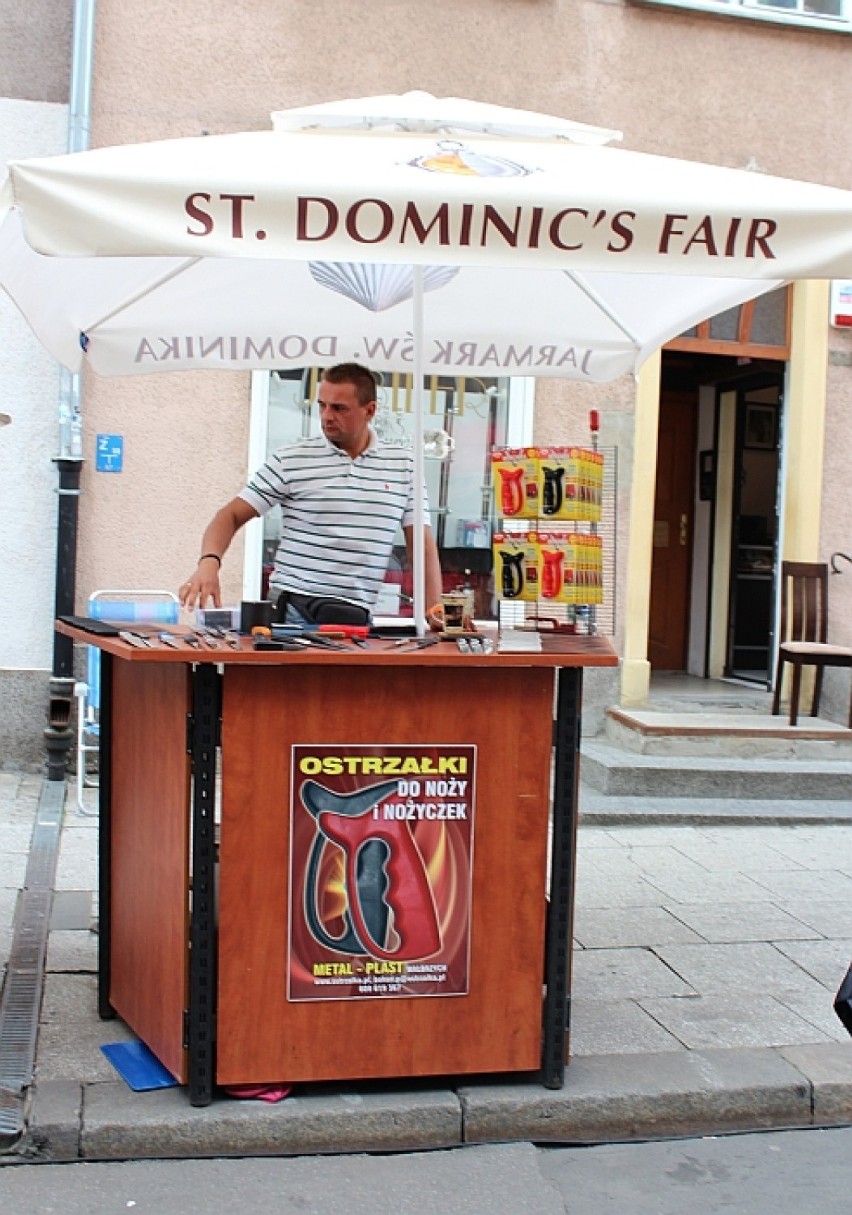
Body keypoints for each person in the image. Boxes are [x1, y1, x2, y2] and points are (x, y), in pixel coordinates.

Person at [179, 363, 444, 628]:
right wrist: (209, 563)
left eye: (339, 408)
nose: (327, 416)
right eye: (322, 405)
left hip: (357, 616)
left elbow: (421, 545)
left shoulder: (404, 465)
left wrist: (434, 611)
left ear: (370, 410)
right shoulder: (293, 459)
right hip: (295, 610)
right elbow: (230, 515)